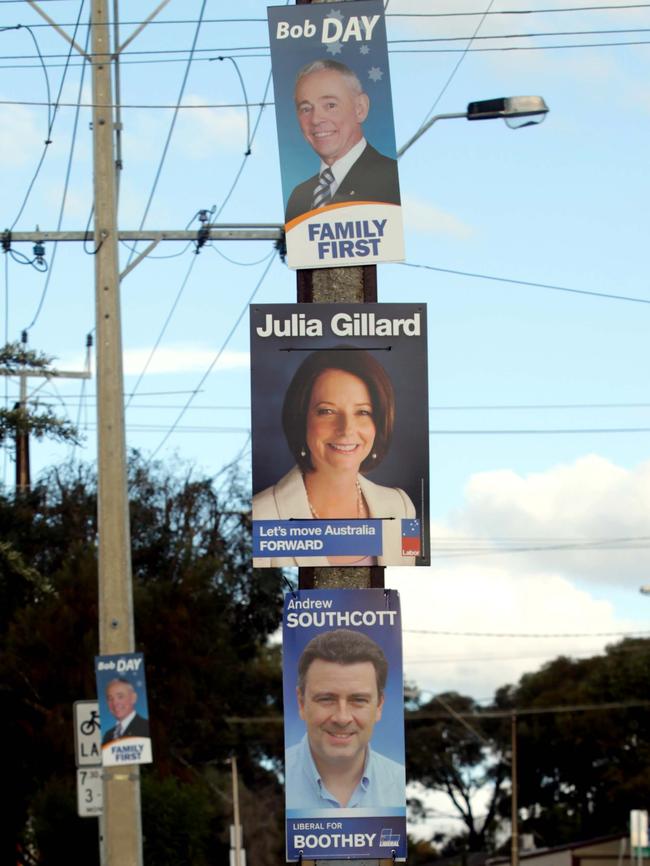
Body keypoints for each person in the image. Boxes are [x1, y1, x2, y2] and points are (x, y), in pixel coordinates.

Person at [252, 348, 416, 567]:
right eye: (327, 411)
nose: (346, 429)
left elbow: (413, 584)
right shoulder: (260, 516)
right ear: (301, 420)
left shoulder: (403, 507)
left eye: (363, 412)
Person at [285, 629, 404, 809]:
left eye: (358, 700)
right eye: (326, 699)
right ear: (301, 703)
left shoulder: (401, 784)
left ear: (379, 706)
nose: (342, 718)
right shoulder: (272, 785)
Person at [285, 59, 400, 224]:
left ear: (360, 108)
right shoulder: (299, 197)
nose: (316, 119)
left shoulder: (392, 180)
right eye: (306, 109)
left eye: (330, 105)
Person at [102, 678, 150, 744]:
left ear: (133, 698)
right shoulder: (108, 735)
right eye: (110, 699)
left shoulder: (147, 728)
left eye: (120, 697)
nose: (115, 703)